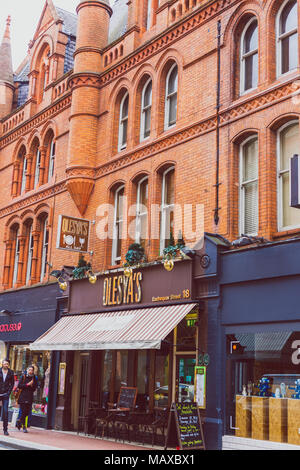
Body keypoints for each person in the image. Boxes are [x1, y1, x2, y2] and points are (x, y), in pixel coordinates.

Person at [16, 365, 38, 433]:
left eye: (32, 370)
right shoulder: (23, 376)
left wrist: (32, 385)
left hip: (29, 396)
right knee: (23, 411)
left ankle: (19, 421)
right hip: (23, 396)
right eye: (29, 370)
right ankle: (24, 427)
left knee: (27, 412)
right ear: (27, 370)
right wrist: (27, 384)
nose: (31, 371)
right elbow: (19, 386)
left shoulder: (34, 377)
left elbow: (35, 388)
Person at [0, 358, 15, 436]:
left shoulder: (11, 372)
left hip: (5, 394)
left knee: (5, 412)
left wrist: (8, 393)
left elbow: (12, 384)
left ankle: (5, 429)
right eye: (4, 363)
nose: (5, 365)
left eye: (6, 364)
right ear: (2, 364)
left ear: (8, 365)